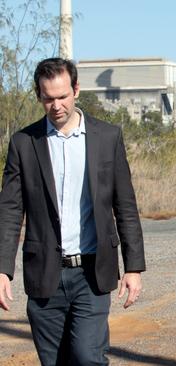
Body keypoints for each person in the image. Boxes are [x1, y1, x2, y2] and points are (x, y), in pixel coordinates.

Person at [0, 57, 146, 365]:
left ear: (76, 90)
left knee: (87, 358)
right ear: (39, 95)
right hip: (44, 273)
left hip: (91, 273)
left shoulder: (107, 137)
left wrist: (133, 267)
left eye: (62, 96)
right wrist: (2, 268)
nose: (56, 106)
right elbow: (10, 210)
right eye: (48, 98)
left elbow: (126, 207)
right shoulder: (24, 143)